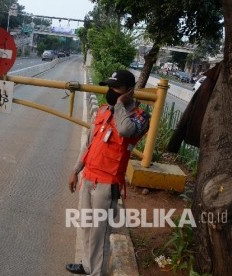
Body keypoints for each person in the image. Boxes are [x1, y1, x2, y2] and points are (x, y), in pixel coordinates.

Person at [66, 70, 150, 275]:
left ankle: (97, 273)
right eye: (109, 86)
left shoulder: (139, 118)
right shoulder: (103, 110)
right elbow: (88, 144)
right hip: (89, 179)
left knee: (100, 233)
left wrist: (121, 104)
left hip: (107, 184)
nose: (110, 92)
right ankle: (87, 265)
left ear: (129, 91)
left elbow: (125, 131)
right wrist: (76, 170)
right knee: (86, 227)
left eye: (116, 88)